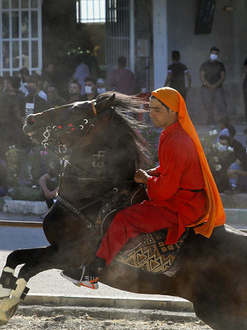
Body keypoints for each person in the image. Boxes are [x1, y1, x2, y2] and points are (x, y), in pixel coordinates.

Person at [62, 87, 226, 289]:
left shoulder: (176, 140)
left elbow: (165, 190)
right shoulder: (173, 133)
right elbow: (168, 169)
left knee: (124, 219)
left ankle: (92, 273)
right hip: (184, 198)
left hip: (182, 206)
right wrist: (151, 172)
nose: (151, 114)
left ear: (173, 112)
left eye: (157, 110)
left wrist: (147, 179)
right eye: (151, 108)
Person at [199, 46, 227, 125]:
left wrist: (215, 85)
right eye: (212, 53)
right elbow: (202, 77)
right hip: (206, 88)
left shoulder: (220, 65)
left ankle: (223, 122)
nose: (214, 55)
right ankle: (211, 121)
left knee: (221, 105)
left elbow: (222, 77)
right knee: (208, 105)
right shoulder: (204, 64)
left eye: (216, 54)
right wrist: (209, 86)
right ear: (210, 53)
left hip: (218, 88)